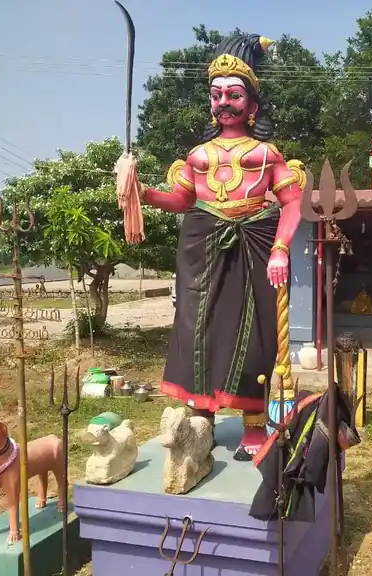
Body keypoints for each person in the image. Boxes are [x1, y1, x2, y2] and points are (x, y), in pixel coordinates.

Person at [124, 34, 305, 460]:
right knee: (196, 325)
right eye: (217, 94)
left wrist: (280, 248)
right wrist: (144, 192)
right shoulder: (197, 156)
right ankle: (201, 410)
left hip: (256, 241)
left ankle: (254, 425)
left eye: (235, 94)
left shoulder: (266, 154)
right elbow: (182, 201)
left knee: (255, 333)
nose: (224, 102)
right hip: (202, 242)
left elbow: (292, 206)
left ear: (253, 105)